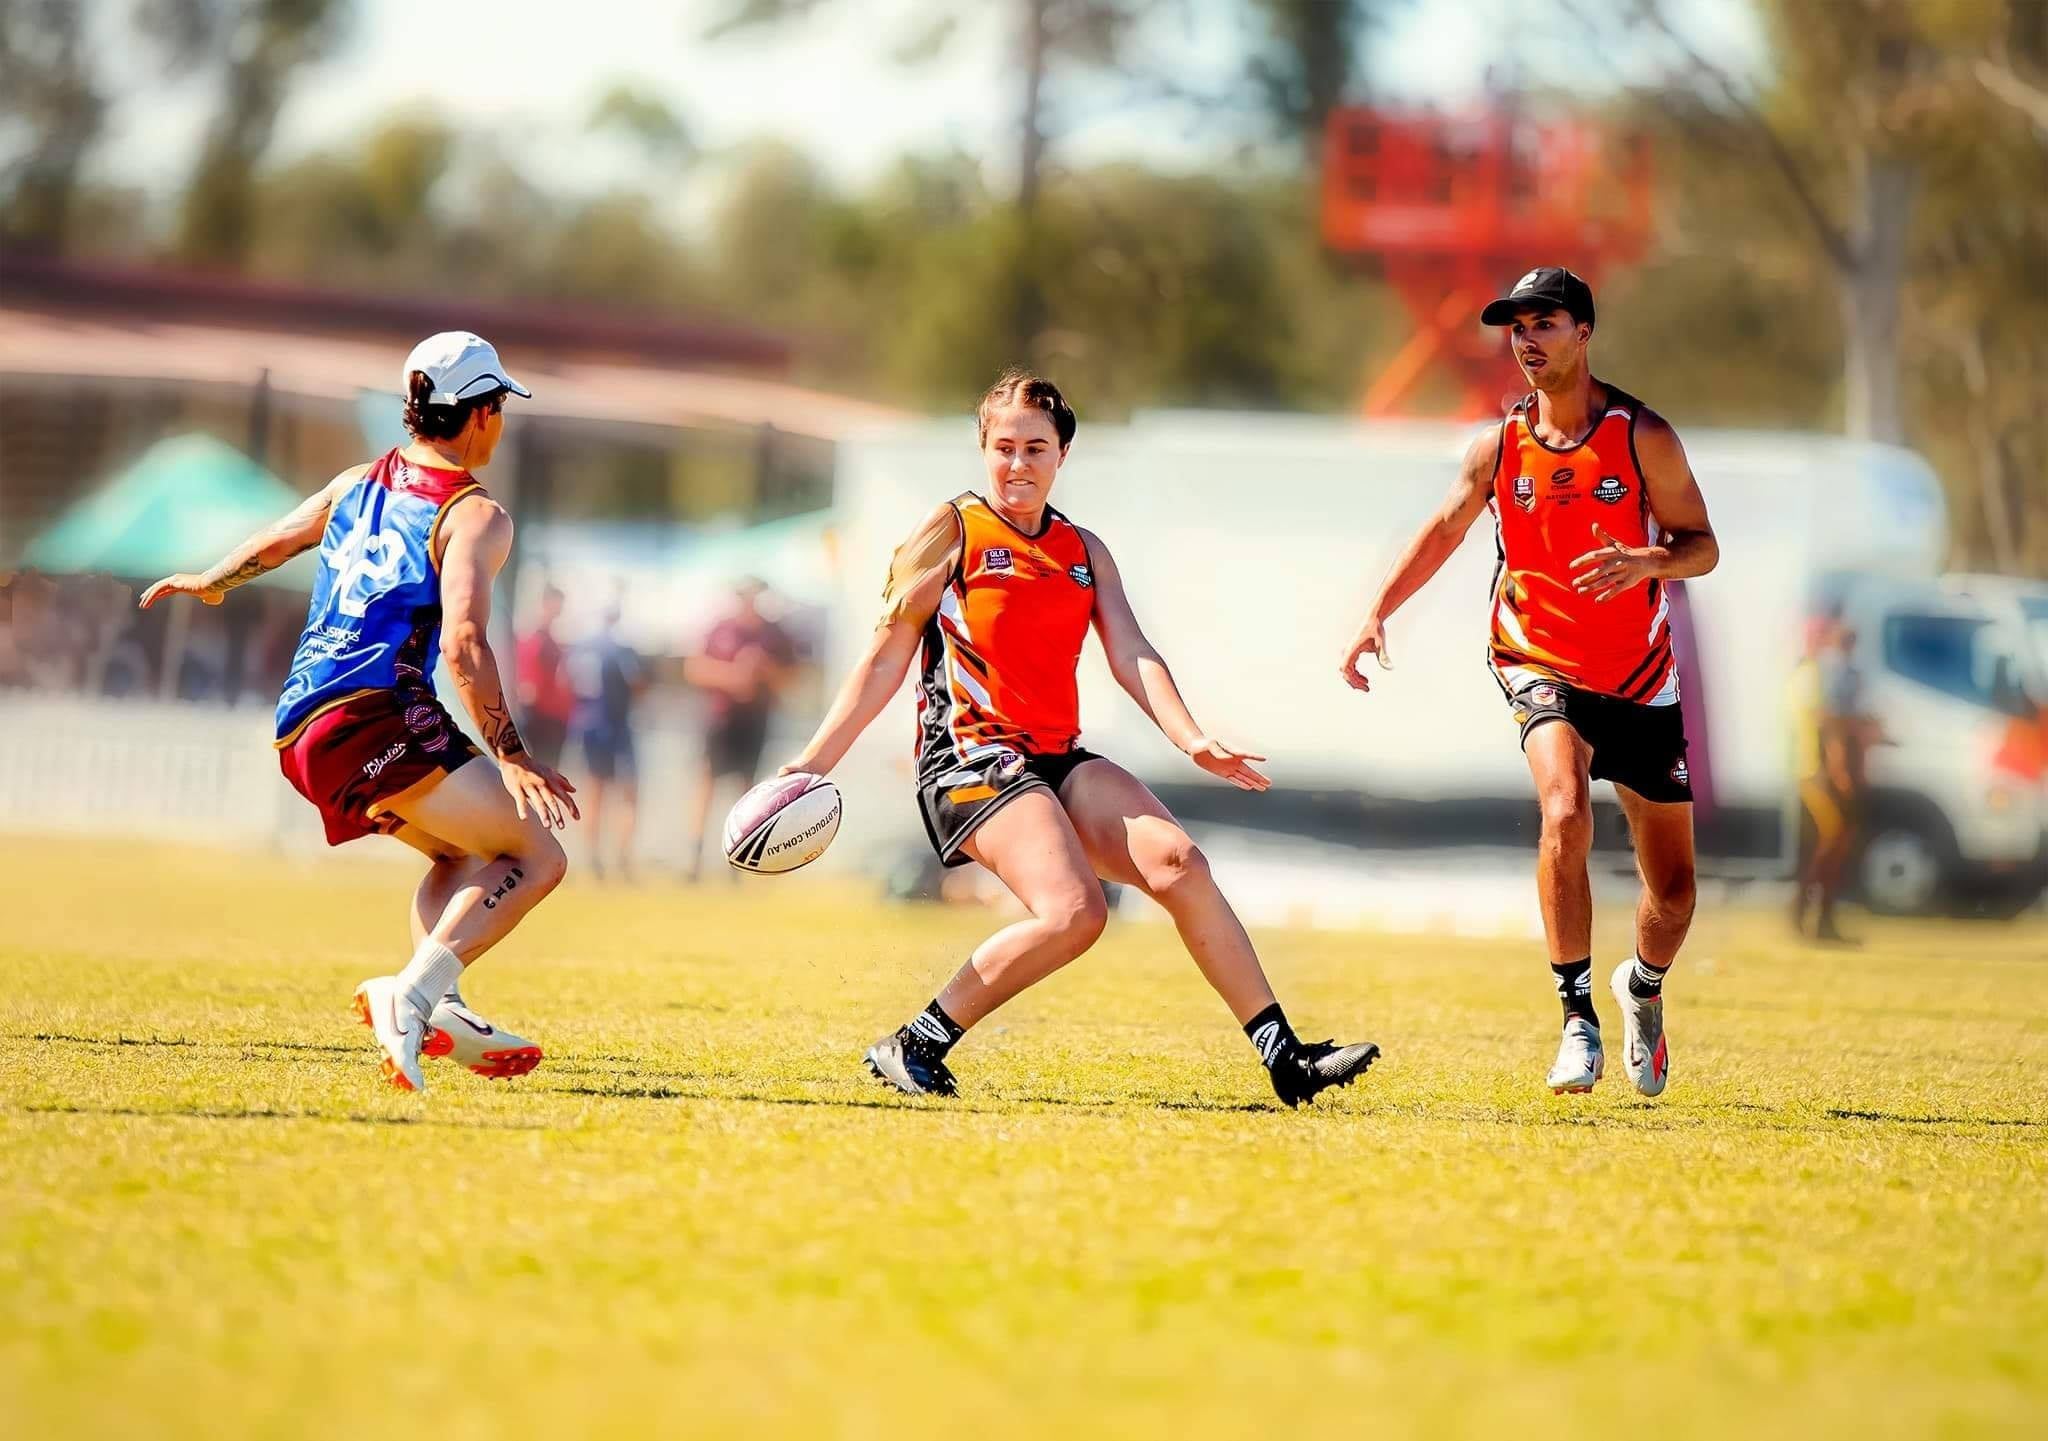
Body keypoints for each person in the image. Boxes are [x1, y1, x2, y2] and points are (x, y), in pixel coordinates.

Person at [781, 369, 1379, 1106]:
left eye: (1035, 448)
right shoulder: (951, 529)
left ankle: (1286, 1058)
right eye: (1002, 447)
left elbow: (1132, 651)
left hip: (1054, 755)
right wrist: (811, 764)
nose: (1016, 464)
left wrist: (1191, 739)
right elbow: (884, 659)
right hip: (969, 757)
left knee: (1178, 861)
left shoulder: (1081, 549)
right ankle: (915, 1042)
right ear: (982, 448)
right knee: (1075, 912)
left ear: (1063, 454)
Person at [141, 331, 579, 1094]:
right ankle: (411, 994)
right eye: (500, 406)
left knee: (461, 854)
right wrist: (510, 752)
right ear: (478, 415)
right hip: (377, 715)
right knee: (540, 856)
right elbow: (466, 641)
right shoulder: (476, 515)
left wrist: (211, 579)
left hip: (301, 728)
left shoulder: (356, 482)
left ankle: (441, 1005)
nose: (501, 422)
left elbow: (280, 540)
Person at [1339, 267, 1720, 1098]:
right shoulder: (1498, 445)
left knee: (1678, 897)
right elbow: (1444, 529)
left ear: (1584, 331)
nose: (1526, 339)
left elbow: (1703, 544)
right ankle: (1576, 1016)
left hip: (1640, 677)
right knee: (1565, 808)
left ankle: (1641, 990)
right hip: (1535, 659)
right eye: (1516, 326)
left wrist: (1648, 560)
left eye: (1543, 322)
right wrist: (1377, 611)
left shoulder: (1640, 434)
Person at [683, 577, 796, 881]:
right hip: (722, 719)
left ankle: (739, 858)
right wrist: (734, 676)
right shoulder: (721, 629)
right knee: (707, 783)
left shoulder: (774, 634)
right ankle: (695, 857)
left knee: (747, 789)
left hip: (755, 719)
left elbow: (792, 676)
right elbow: (695, 668)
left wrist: (763, 671)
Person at [1789, 617, 1873, 943]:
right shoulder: (1816, 675)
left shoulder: (1814, 673)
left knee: (1834, 841)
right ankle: (1808, 912)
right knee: (1834, 839)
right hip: (1817, 770)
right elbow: (1829, 724)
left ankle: (1814, 915)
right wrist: (1840, 769)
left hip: (1816, 769)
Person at [569, 601, 645, 881]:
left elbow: (567, 680)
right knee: (628, 792)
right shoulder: (621, 648)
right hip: (615, 724)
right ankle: (620, 857)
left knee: (594, 790)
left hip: (587, 722)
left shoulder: (581, 646)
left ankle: (592, 856)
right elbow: (636, 682)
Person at [515, 584, 576, 770]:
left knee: (548, 769)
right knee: (543, 771)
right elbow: (528, 687)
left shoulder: (549, 639)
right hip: (543, 716)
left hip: (553, 716)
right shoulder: (534, 639)